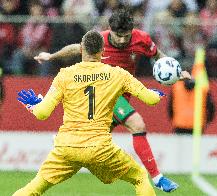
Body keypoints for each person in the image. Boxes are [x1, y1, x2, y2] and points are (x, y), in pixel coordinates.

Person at [34, 7, 186, 192]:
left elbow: (158, 55)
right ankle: (157, 177)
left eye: (126, 36)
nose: (122, 40)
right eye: (118, 35)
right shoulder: (101, 40)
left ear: (132, 31)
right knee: (137, 124)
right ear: (110, 30)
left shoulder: (142, 39)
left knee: (99, 133)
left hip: (123, 95)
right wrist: (51, 56)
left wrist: (175, 72)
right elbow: (76, 48)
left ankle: (64, 138)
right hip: (106, 94)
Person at [14, 29, 165, 196]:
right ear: (102, 51)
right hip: (100, 149)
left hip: (67, 147)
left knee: (34, 188)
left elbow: (42, 113)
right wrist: (156, 94)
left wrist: (33, 105)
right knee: (140, 178)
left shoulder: (65, 75)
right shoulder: (118, 74)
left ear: (81, 50)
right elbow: (151, 100)